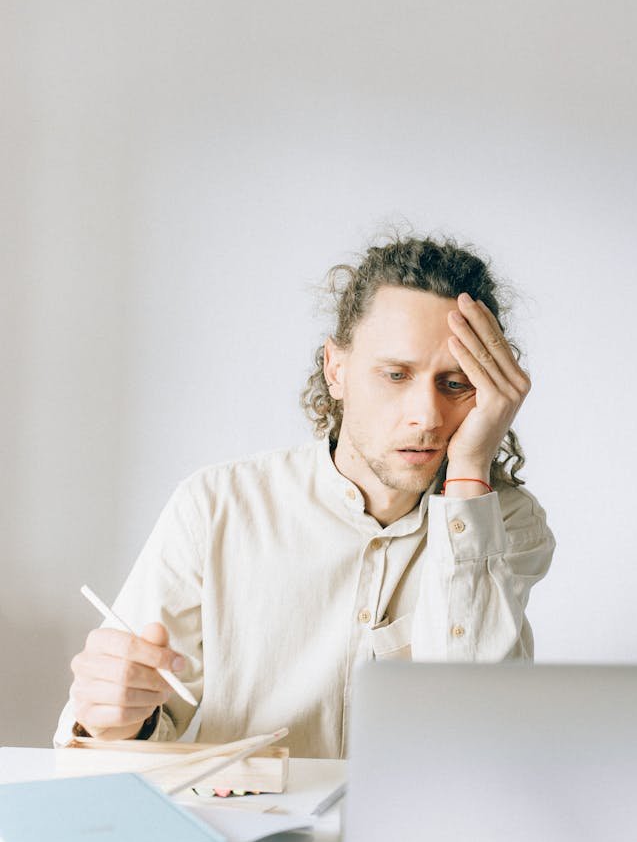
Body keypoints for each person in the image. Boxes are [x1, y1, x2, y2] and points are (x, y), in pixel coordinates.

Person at [55, 234, 556, 756]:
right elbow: (114, 736)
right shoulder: (216, 507)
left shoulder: (504, 524)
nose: (426, 417)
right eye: (395, 374)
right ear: (335, 369)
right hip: (247, 824)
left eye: (455, 384)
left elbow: (474, 732)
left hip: (420, 830)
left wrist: (472, 468)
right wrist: (116, 719)